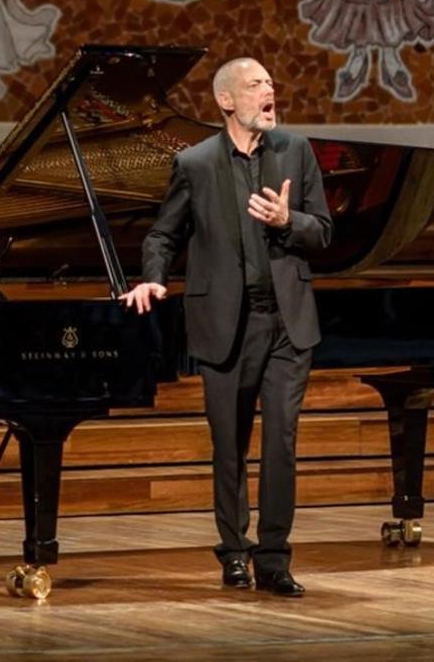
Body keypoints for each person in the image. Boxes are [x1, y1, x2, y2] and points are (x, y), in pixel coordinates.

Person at [120, 58, 333, 597]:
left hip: (286, 321)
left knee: (281, 442)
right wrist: (152, 278)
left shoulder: (295, 150)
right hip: (224, 323)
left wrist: (291, 221)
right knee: (229, 445)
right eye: (256, 84)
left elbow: (324, 233)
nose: (270, 89)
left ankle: (274, 558)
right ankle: (233, 553)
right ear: (226, 101)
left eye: (270, 82)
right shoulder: (195, 163)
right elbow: (162, 236)